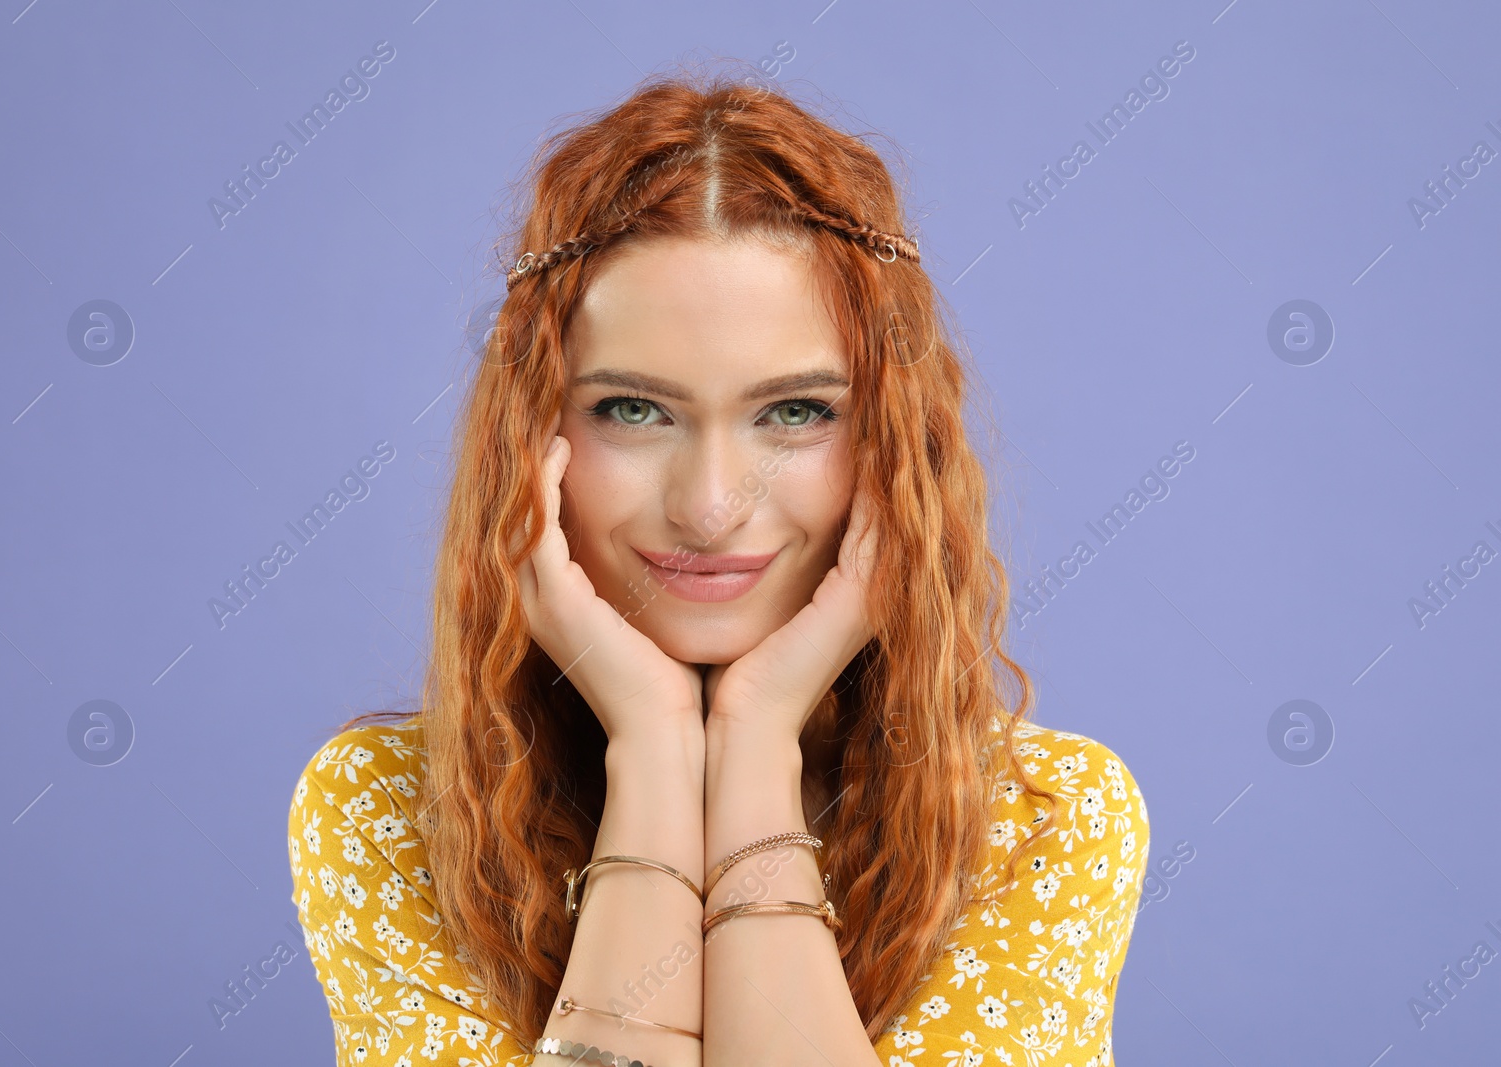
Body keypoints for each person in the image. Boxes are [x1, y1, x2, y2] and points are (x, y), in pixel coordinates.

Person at [288, 66, 1148, 1067]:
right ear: (528, 440)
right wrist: (653, 750)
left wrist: (754, 745)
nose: (707, 506)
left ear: (894, 448)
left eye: (793, 412)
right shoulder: (386, 810)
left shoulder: (1044, 819)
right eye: (632, 409)